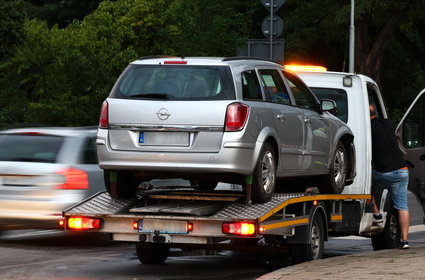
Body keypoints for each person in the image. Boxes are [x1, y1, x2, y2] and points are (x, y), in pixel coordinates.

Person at [370, 105, 410, 249]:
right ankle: (404, 241)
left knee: (365, 185)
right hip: (402, 171)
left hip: (383, 173)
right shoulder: (388, 123)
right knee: (402, 206)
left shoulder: (369, 130)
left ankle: (376, 213)